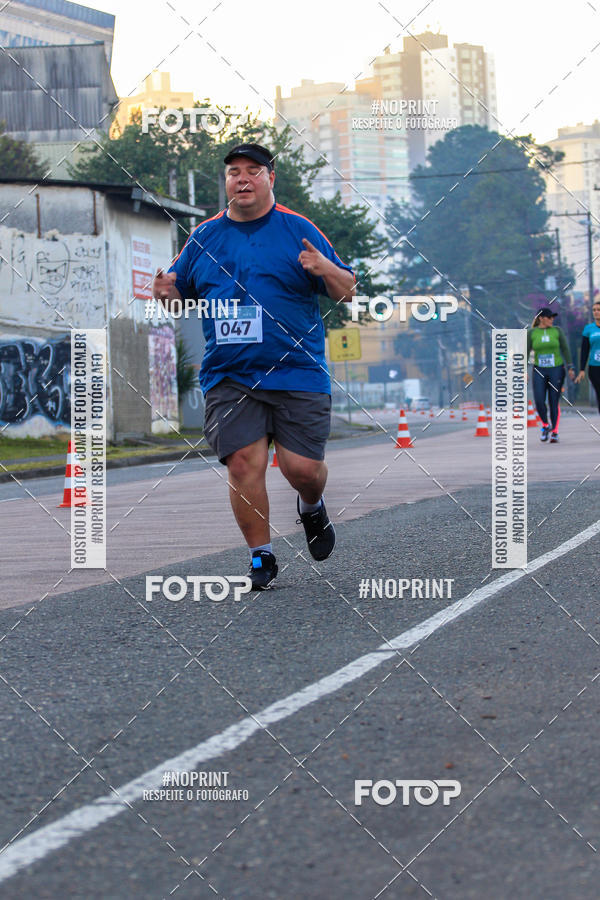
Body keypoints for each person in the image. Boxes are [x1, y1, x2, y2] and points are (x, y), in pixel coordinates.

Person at [152, 143, 355, 589]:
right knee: (244, 463)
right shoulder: (205, 236)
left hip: (297, 371)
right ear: (226, 182)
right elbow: (178, 292)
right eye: (233, 172)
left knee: (302, 469)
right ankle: (260, 556)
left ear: (270, 178)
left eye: (252, 171)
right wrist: (165, 293)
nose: (242, 179)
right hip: (230, 375)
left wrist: (324, 267)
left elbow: (347, 290)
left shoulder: (297, 229)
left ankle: (311, 506)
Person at [527, 306, 575, 443]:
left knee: (554, 402)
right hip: (539, 370)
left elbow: (565, 349)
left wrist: (570, 367)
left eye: (553, 317)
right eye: (549, 317)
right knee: (539, 401)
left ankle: (554, 432)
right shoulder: (532, 333)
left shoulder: (557, 331)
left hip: (556, 370)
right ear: (541, 318)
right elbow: (524, 352)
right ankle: (545, 425)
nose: (552, 319)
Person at [575, 299, 600, 413]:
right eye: (594, 310)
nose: (596, 312)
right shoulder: (588, 329)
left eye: (599, 310)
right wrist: (581, 370)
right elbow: (585, 350)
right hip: (594, 368)